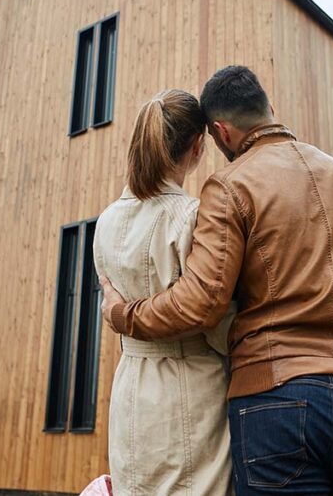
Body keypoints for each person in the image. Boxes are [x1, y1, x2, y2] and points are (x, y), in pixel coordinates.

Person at [101, 65, 333, 496]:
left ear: (221, 133)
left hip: (276, 401)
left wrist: (123, 315)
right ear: (271, 109)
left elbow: (202, 300)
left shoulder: (229, 185)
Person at [93, 89, 234, 496]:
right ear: (197, 146)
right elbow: (214, 322)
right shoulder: (190, 216)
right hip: (188, 391)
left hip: (130, 387)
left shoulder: (105, 221)